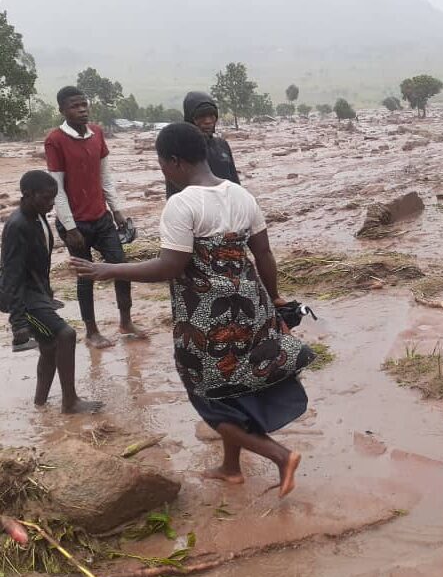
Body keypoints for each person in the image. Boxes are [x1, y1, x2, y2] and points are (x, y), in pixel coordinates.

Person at [72, 123, 312, 497]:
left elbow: (170, 266)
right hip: (252, 309)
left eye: (162, 164)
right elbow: (263, 254)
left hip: (206, 319)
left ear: (175, 161)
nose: (163, 171)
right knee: (234, 385)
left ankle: (279, 456)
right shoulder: (241, 195)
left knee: (208, 397)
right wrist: (276, 301)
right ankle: (231, 468)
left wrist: (110, 269)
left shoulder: (181, 204)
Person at [45, 86, 144, 349]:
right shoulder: (55, 140)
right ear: (62, 110)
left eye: (84, 104)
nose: (82, 109)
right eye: (75, 106)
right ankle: (91, 332)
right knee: (85, 276)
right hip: (75, 223)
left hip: (101, 217)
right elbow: (57, 188)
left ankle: (125, 321)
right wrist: (69, 226)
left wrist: (117, 210)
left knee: (120, 267)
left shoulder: (97, 133)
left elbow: (105, 177)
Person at [0, 171, 103, 413]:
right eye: (46, 198)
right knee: (65, 335)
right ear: (27, 195)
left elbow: (37, 264)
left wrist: (47, 295)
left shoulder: (39, 217)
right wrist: (18, 323)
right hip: (24, 299)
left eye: (53, 199)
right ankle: (70, 402)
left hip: (37, 294)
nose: (50, 204)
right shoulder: (17, 226)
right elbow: (11, 274)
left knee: (48, 347)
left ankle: (40, 403)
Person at [165, 92, 239, 199]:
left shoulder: (222, 146)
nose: (208, 121)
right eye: (201, 116)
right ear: (190, 119)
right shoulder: (179, 150)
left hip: (226, 207)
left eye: (211, 116)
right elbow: (173, 194)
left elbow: (235, 183)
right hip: (196, 210)